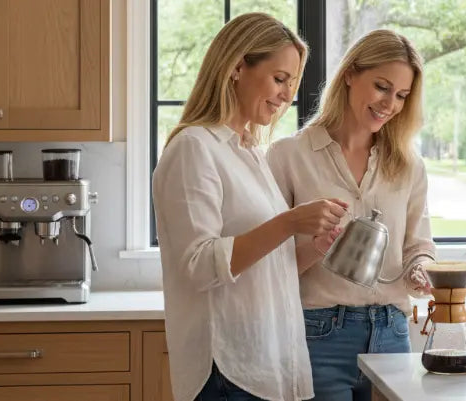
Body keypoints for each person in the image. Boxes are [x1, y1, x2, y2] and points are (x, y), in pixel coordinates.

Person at [152, 13, 347, 401]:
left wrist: (316, 246)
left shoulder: (250, 154)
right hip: (227, 369)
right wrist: (291, 221)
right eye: (279, 79)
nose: (286, 95)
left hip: (269, 363)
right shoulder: (194, 148)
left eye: (292, 84)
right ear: (238, 67)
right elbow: (198, 266)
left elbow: (268, 268)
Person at [266, 29, 436, 401]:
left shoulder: (409, 166)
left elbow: (418, 246)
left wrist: (420, 268)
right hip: (318, 335)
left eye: (402, 96)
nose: (390, 104)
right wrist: (316, 246)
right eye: (381, 86)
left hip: (392, 334)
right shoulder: (288, 157)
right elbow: (268, 269)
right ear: (349, 74)